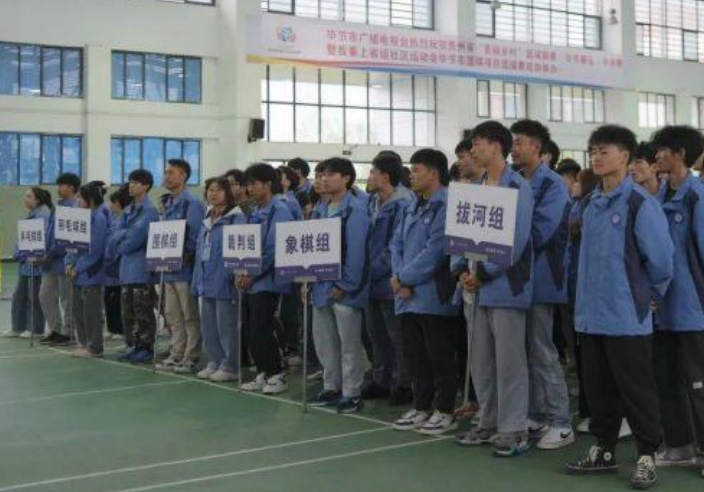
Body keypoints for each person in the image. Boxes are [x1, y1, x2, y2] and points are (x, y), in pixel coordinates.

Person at [565, 125, 674, 490]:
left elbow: (661, 260)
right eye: (593, 151)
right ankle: (604, 449)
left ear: (625, 157)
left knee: (637, 390)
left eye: (604, 151)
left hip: (626, 316)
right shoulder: (588, 204)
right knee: (599, 391)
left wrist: (649, 295)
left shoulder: (639, 203)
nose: (596, 157)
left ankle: (646, 455)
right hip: (590, 316)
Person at [452, 121, 534, 456]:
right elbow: (459, 236)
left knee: (509, 362)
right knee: (481, 362)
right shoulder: (474, 187)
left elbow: (517, 240)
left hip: (505, 288)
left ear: (497, 146)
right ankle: (487, 421)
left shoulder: (518, 187)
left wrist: (485, 272)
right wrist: (461, 270)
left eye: (478, 144)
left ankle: (513, 429)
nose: (472, 150)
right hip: (474, 288)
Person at [509, 119, 573, 449]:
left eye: (519, 142)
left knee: (542, 350)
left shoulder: (553, 185)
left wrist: (502, 247)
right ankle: (536, 414)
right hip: (515, 278)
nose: (513, 148)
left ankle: (561, 422)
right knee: (524, 351)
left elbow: (538, 232)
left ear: (537, 147)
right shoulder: (514, 180)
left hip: (543, 278)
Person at [390, 149, 458, 436]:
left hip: (432, 295)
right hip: (406, 296)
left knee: (439, 355)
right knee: (415, 355)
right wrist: (398, 277)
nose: (412, 175)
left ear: (434, 172)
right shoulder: (413, 205)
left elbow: (436, 251)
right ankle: (421, 406)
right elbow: (396, 244)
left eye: (417, 170)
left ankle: (445, 410)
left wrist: (404, 277)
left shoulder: (447, 204)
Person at [650, 125, 704, 471]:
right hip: (661, 308)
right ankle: (680, 445)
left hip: (693, 307)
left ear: (680, 154)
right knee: (666, 379)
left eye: (662, 150)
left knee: (698, 382)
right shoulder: (657, 197)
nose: (656, 156)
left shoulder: (697, 196)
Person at [307, 157, 371, 414]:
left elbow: (356, 253)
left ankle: (352, 392)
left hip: (345, 290)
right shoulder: (320, 209)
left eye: (330, 175)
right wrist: (306, 280)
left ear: (346, 179)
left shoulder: (356, 210)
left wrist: (345, 284)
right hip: (319, 286)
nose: (324, 179)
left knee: (349, 344)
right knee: (325, 341)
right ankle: (331, 386)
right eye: (322, 175)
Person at [362, 152, 415, 406]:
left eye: (373, 172)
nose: (369, 177)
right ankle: (381, 379)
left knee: (398, 337)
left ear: (385, 176)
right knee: (376, 335)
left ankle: (404, 383)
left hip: (392, 280)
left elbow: (396, 243)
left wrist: (374, 269)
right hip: (370, 281)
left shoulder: (403, 203)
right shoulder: (372, 202)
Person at [239, 163, 294, 395]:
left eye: (254, 183)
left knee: (263, 327)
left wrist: (252, 273)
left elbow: (274, 249)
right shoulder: (255, 212)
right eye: (248, 184)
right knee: (252, 329)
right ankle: (263, 371)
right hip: (251, 281)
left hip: (269, 281)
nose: (250, 188)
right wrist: (241, 272)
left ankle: (277, 374)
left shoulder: (279, 210)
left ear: (269, 184)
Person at [193, 177, 245, 382]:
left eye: (219, 190)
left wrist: (236, 275)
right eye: (210, 190)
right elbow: (200, 251)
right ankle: (214, 361)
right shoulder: (207, 218)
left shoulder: (236, 218)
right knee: (208, 326)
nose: (213, 194)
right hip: (206, 279)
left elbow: (240, 250)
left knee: (227, 326)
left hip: (225, 280)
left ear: (228, 193)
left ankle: (230, 366)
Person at [156, 159, 205, 374]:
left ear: (183, 176)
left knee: (189, 314)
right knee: (172, 314)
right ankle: (177, 351)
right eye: (165, 173)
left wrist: (183, 255)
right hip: (167, 269)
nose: (166, 176)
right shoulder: (166, 204)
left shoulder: (191, 204)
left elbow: (195, 237)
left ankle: (191, 355)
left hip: (184, 270)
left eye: (171, 172)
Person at [567, 169, 601, 435]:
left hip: (589, 295)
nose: (573, 185)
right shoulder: (576, 208)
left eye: (578, 181)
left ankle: (596, 413)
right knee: (583, 358)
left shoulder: (590, 208)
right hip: (575, 292)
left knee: (594, 359)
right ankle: (588, 411)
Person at [115, 169, 160, 364]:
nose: (131, 186)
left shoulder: (149, 211)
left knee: (143, 312)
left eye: (136, 182)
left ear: (146, 186)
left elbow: (135, 239)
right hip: (127, 269)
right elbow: (115, 234)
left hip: (141, 269)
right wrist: (123, 237)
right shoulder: (128, 210)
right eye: (130, 182)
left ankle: (147, 347)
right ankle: (135, 345)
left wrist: (122, 239)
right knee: (129, 312)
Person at [65, 182, 108, 358]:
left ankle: (95, 346)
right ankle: (83, 343)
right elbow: (71, 243)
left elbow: (95, 250)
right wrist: (68, 263)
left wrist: (78, 268)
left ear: (90, 200)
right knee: (78, 310)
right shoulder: (80, 218)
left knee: (91, 312)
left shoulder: (99, 219)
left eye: (80, 199)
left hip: (91, 273)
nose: (78, 202)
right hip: (76, 272)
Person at [39, 172, 81, 346]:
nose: (58, 188)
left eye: (62, 185)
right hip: (49, 261)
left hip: (64, 260)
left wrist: (51, 253)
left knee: (66, 298)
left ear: (71, 187)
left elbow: (68, 238)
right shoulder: (58, 206)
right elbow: (51, 233)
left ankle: (69, 332)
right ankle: (55, 329)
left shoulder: (75, 208)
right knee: (45, 295)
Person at [5, 188, 52, 338]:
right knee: (19, 296)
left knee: (34, 297)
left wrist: (35, 256)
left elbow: (44, 240)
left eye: (28, 196)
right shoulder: (33, 214)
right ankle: (18, 327)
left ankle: (36, 329)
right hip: (26, 263)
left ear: (37, 200)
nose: (25, 199)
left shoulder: (43, 215)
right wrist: (19, 252)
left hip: (36, 263)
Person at [104, 185, 132, 343]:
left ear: (119, 203)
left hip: (118, 265)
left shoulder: (125, 219)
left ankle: (120, 329)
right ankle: (112, 328)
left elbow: (119, 241)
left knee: (117, 300)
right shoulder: (113, 219)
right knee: (109, 299)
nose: (111, 206)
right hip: (109, 266)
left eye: (113, 203)